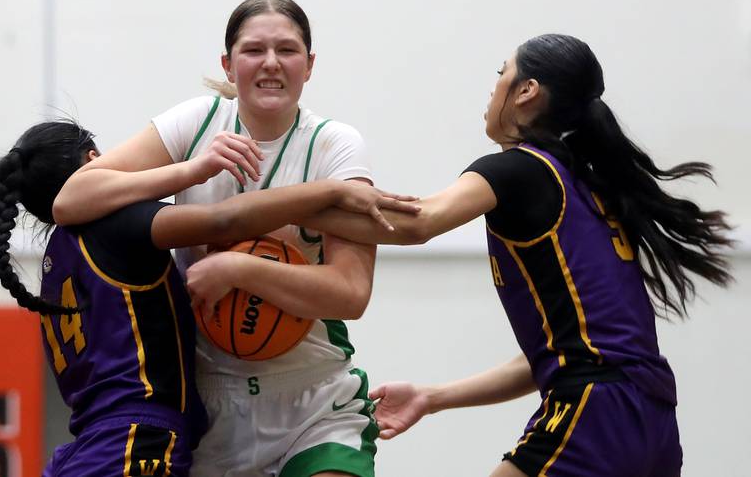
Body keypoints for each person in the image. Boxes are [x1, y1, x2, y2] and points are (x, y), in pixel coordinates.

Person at [288, 34, 734, 476]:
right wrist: (433, 396)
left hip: (595, 412)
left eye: (501, 72)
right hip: (653, 420)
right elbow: (553, 355)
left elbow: (417, 222)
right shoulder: (589, 185)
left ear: (526, 91)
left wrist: (278, 206)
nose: (494, 85)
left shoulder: (520, 170)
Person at [54, 0, 387, 477]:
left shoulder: (335, 144)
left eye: (287, 50)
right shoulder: (198, 122)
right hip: (211, 404)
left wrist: (240, 267)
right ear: (228, 65)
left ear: (309, 66)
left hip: (313, 398)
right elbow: (71, 200)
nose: (271, 63)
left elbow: (352, 294)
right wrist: (192, 169)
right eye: (254, 50)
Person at [0, 120, 414, 477]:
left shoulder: (57, 261)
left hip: (87, 446)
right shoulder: (114, 224)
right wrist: (331, 191)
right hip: (136, 441)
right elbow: (222, 221)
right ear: (95, 163)